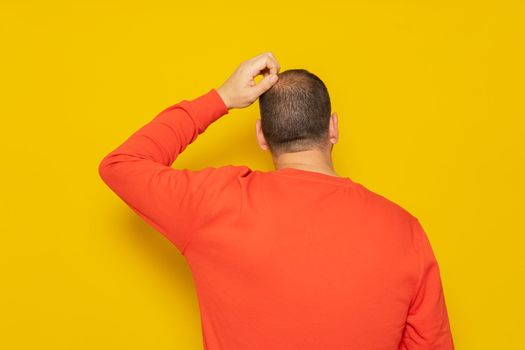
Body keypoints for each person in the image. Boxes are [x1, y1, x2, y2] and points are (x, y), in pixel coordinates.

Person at [98, 52, 454, 349]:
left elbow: (121, 165)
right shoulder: (404, 231)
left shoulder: (214, 203)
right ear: (333, 128)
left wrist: (221, 98)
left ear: (261, 137)